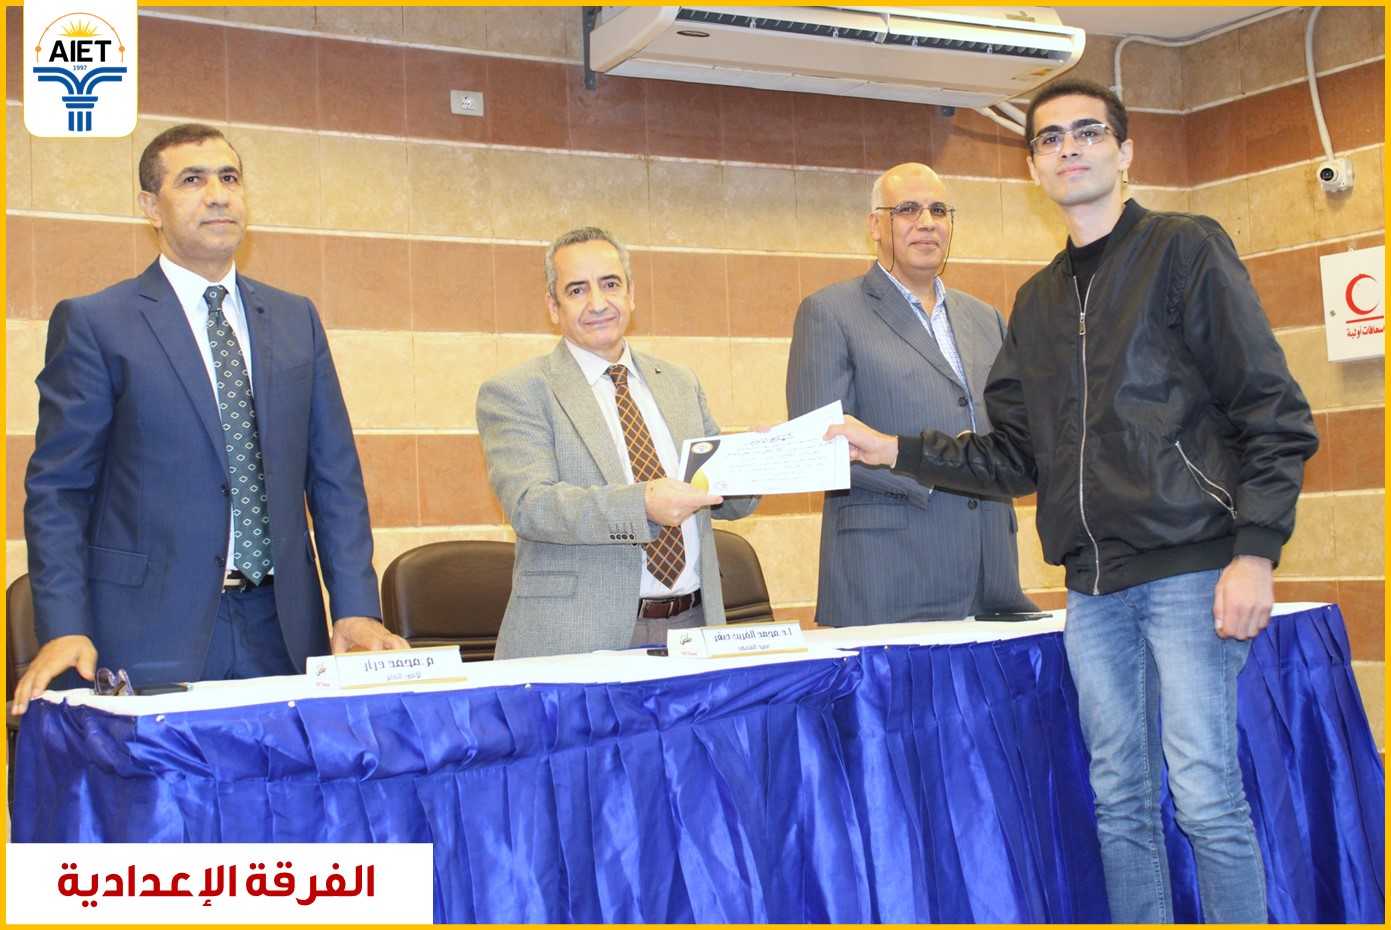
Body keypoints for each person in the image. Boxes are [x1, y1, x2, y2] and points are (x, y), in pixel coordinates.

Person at [826, 79, 1317, 923]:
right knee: (1118, 800)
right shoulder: (1038, 300)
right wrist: (894, 449)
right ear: (1033, 168)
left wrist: (1254, 551)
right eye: (1049, 139)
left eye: (1087, 133)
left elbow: (1272, 411)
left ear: (1123, 152)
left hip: (1190, 571)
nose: (1068, 149)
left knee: (1204, 794)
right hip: (1092, 589)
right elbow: (1015, 456)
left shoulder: (1184, 249)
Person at [14, 124, 406, 711]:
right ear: (151, 207)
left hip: (282, 630)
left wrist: (354, 608)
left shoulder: (296, 319)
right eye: (192, 180)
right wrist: (65, 625)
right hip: (146, 632)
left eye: (229, 177)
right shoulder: (97, 323)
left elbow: (335, 479)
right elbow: (59, 492)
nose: (218, 195)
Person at [476, 227, 757, 658]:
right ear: (553, 307)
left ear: (631, 294)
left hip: (693, 628)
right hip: (578, 638)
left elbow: (717, 492)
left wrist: (763, 459)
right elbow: (532, 505)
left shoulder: (680, 383)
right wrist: (642, 504)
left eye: (610, 284)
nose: (598, 303)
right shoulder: (518, 391)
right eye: (577, 290)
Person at [786, 162, 1036, 625]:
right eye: (907, 209)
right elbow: (818, 450)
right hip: (889, 577)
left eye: (939, 210)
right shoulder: (829, 313)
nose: (926, 222)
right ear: (875, 226)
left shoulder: (987, 319)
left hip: (992, 579)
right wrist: (938, 469)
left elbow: (1012, 440)